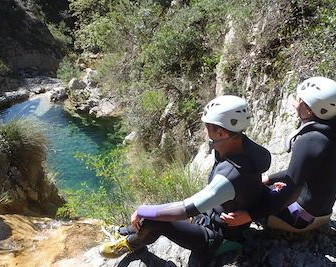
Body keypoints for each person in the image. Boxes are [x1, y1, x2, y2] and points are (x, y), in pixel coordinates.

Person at [98, 95, 271, 266]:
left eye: (207, 127)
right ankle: (126, 230)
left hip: (216, 236)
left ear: (221, 132)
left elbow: (184, 209)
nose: (204, 131)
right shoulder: (241, 147)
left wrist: (142, 210)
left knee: (154, 219)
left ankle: (129, 244)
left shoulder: (231, 175)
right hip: (211, 216)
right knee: (156, 213)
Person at [221, 77, 336, 232]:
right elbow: (297, 173)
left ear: (309, 110)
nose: (295, 103)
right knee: (260, 185)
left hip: (298, 219)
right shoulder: (331, 133)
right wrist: (269, 179)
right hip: (320, 214)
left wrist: (250, 214)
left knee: (243, 191)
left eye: (299, 100)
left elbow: (290, 187)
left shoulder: (309, 140)